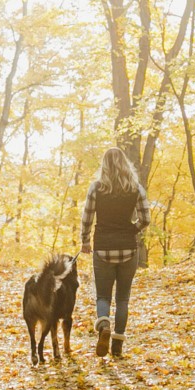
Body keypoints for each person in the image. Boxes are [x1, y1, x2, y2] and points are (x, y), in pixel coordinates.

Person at [80, 148, 150, 359]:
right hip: (128, 249)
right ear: (125, 163)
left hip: (103, 248)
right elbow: (145, 219)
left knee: (103, 296)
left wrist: (85, 240)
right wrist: (132, 230)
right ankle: (117, 344)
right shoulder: (135, 188)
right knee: (122, 298)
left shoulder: (96, 188)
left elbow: (87, 217)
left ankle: (104, 326)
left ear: (104, 165)